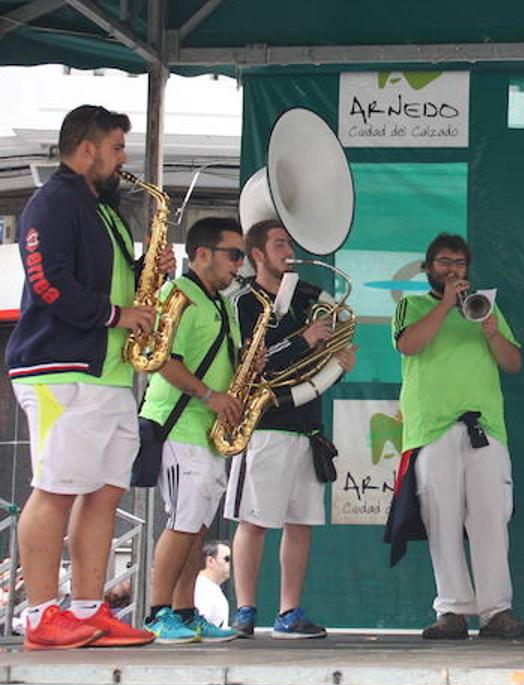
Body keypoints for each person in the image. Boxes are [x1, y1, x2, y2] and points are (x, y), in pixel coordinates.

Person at [5, 105, 162, 649]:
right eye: (117, 147)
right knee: (53, 489)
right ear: (88, 148)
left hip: (110, 372)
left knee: (102, 491)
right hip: (60, 368)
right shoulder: (52, 202)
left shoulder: (105, 209)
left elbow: (109, 278)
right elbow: (48, 282)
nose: (123, 160)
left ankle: (90, 609)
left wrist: (147, 274)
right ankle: (42, 613)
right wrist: (118, 316)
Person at [393, 234, 524, 640]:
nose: (453, 269)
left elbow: (514, 362)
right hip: (433, 430)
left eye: (459, 263)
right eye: (444, 262)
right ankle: (451, 609)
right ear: (429, 267)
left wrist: (490, 331)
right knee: (443, 520)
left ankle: (496, 611)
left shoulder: (487, 308)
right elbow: (409, 345)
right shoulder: (411, 305)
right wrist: (445, 305)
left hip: (485, 429)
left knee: (491, 518)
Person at [227, 220, 356, 639]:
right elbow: (254, 361)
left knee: (301, 521)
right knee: (254, 520)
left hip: (305, 425)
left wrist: (337, 365)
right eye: (280, 244)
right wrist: (305, 340)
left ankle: (289, 611)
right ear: (258, 255)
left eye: (291, 243)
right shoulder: (245, 302)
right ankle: (245, 610)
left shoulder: (305, 299)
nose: (289, 250)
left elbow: (315, 367)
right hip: (264, 425)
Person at [141, 216, 246, 645]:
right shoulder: (177, 294)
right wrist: (210, 396)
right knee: (182, 524)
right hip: (180, 423)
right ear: (202, 254)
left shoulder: (218, 302)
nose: (240, 264)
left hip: (205, 429)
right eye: (234, 254)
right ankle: (157, 612)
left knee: (196, 529)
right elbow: (163, 359)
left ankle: (185, 612)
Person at [194, 541, 232, 629]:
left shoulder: (211, 588)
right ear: (210, 561)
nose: (231, 564)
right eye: (227, 559)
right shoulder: (202, 589)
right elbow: (200, 628)